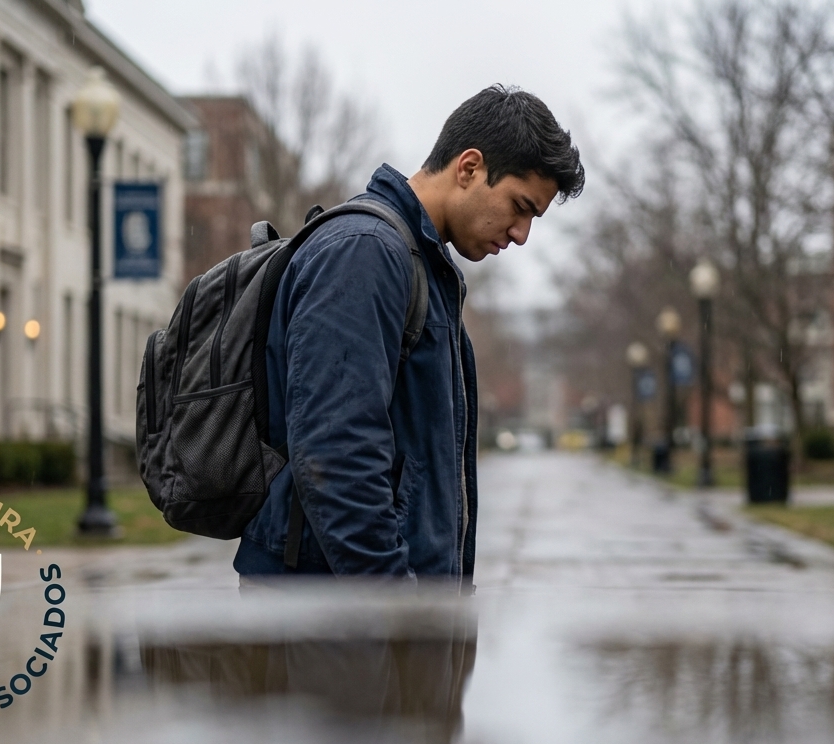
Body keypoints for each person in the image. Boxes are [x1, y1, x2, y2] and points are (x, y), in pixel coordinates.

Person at [233, 84, 585, 586]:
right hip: (330, 625)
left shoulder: (418, 263)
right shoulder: (365, 253)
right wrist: (398, 608)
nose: (522, 233)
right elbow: (337, 454)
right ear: (469, 168)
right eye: (520, 206)